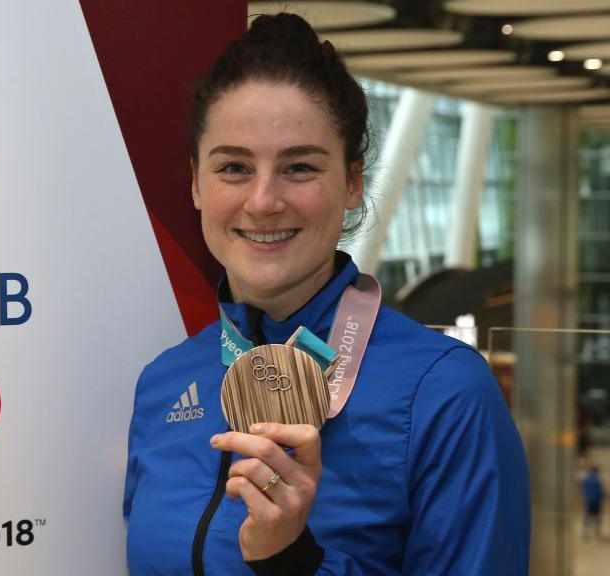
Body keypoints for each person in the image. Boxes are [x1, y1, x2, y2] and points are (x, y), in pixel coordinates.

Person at [122, 13, 530, 575]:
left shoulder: (445, 393)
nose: (263, 201)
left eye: (299, 167)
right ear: (196, 182)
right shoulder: (163, 385)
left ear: (352, 181)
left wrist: (293, 560)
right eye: (234, 167)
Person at [583, 465, 605, 539]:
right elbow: (600, 491)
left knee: (587, 516)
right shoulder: (598, 480)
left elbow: (584, 490)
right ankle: (596, 532)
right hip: (596, 501)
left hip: (589, 500)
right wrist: (603, 499)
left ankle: (586, 533)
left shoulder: (586, 479)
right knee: (597, 517)